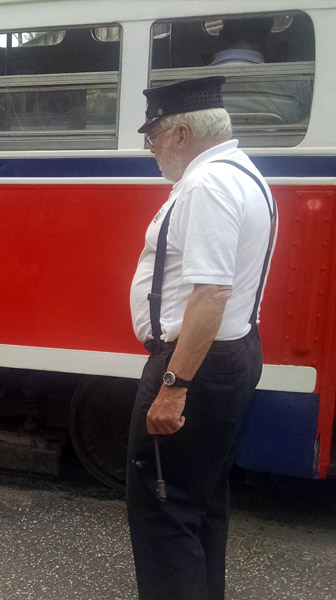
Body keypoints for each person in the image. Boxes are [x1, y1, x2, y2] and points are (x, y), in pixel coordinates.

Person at [127, 76, 276, 599]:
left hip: (195, 365)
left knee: (162, 513)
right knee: (201, 505)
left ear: (181, 132)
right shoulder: (244, 174)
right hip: (229, 357)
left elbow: (211, 292)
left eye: (154, 137)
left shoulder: (207, 184)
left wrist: (173, 383)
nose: (152, 151)